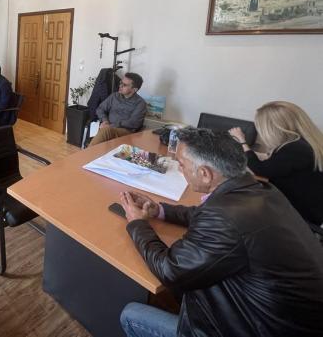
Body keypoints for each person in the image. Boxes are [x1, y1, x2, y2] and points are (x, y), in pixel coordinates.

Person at [118, 127, 323, 337]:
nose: (180, 169)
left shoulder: (223, 219)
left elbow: (170, 270)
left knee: (131, 315)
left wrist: (137, 223)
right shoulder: (258, 190)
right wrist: (160, 210)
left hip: (256, 328)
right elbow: (208, 214)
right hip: (281, 317)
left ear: (205, 174)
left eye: (182, 164)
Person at [229, 101, 323, 225]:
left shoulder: (295, 149)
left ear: (272, 128)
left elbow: (260, 170)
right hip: (308, 209)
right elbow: (278, 163)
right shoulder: (303, 143)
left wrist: (242, 141)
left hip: (299, 216)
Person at [88, 72, 146, 146]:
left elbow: (133, 123)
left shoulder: (140, 103)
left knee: (106, 131)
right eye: (121, 82)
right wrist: (105, 121)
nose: (120, 86)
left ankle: (86, 152)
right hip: (108, 126)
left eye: (124, 85)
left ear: (134, 89)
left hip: (125, 131)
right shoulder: (114, 96)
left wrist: (112, 126)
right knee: (101, 129)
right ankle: (91, 151)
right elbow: (100, 109)